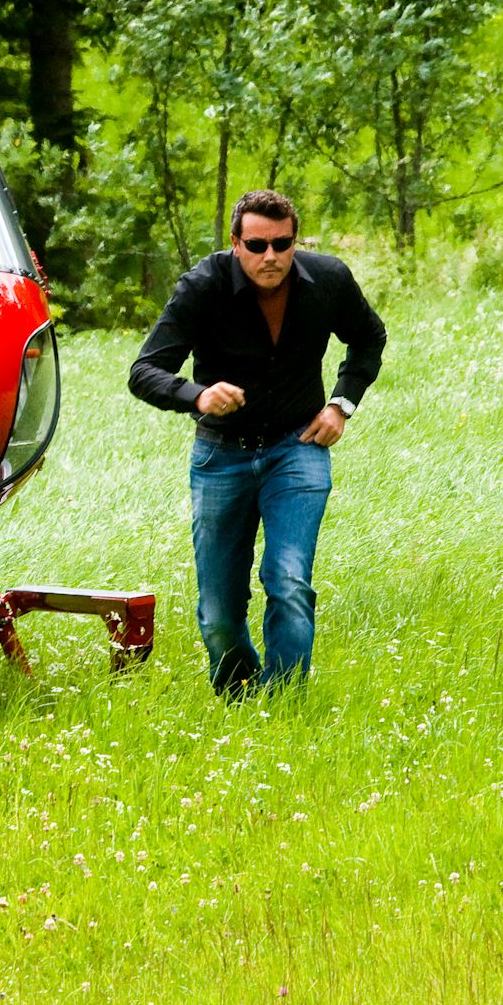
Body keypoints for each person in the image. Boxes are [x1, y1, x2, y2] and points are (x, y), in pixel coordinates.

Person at [128, 189, 386, 694]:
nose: (271, 256)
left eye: (282, 243)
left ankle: (284, 700)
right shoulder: (202, 286)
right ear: (235, 243)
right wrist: (197, 395)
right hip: (221, 455)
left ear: (295, 240)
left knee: (288, 582)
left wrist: (341, 405)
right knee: (219, 611)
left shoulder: (328, 279)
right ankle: (240, 693)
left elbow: (369, 337)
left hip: (298, 449)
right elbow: (145, 371)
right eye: (257, 245)